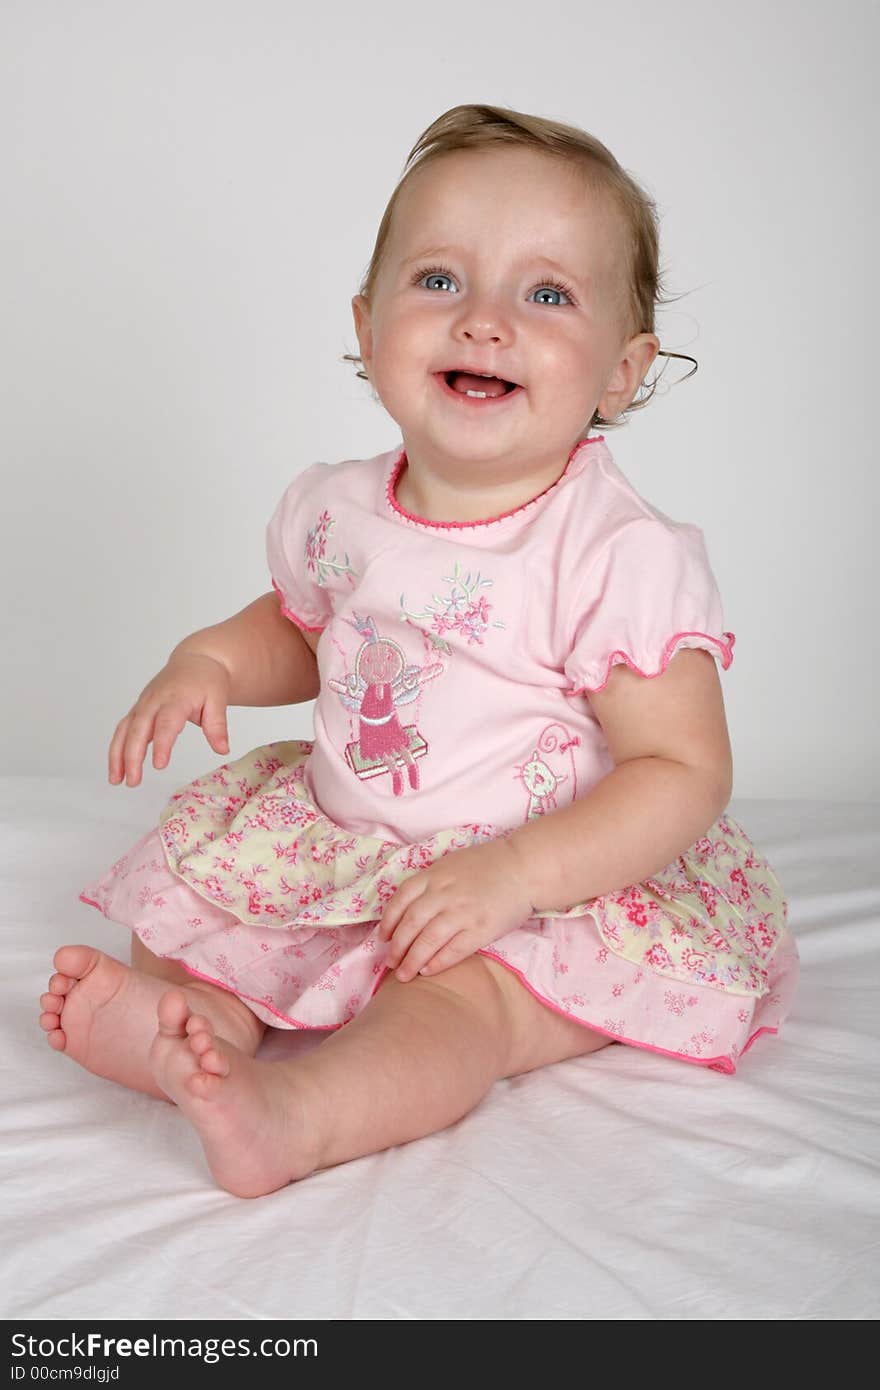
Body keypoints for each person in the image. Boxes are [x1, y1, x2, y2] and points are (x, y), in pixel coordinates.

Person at [39, 103, 799, 1198]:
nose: (484, 321)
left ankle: (297, 1115)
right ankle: (198, 1025)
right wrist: (208, 660)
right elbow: (303, 634)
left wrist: (512, 877)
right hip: (356, 840)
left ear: (622, 371)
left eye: (545, 295)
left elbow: (681, 769)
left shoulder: (610, 551)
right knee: (199, 913)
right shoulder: (340, 509)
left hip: (542, 879)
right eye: (440, 280)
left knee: (458, 1005)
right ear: (366, 323)